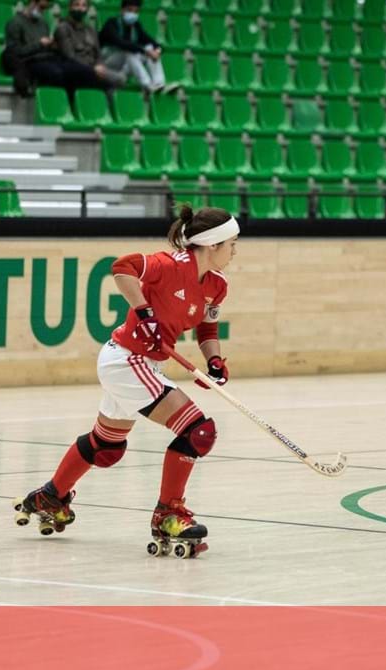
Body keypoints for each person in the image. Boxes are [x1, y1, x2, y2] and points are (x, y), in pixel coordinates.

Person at [12, 205, 238, 558]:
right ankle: (169, 513)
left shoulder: (216, 284)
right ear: (211, 245)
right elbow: (122, 267)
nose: (234, 252)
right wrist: (144, 312)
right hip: (126, 360)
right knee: (198, 431)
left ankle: (50, 496)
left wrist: (214, 359)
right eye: (231, 244)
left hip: (144, 365)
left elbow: (207, 326)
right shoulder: (169, 265)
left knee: (106, 446)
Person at [3, 0, 103, 96]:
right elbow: (14, 52)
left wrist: (52, 46)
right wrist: (39, 44)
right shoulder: (15, 23)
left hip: (48, 58)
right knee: (57, 74)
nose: (42, 11)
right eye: (41, 7)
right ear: (32, 2)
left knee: (84, 71)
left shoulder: (42, 23)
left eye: (45, 8)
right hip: (30, 61)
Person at [99, 0, 175, 93]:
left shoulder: (135, 26)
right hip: (106, 66)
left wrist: (157, 51)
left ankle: (159, 83)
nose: (133, 14)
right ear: (122, 10)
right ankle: (147, 84)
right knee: (130, 51)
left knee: (150, 48)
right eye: (129, 10)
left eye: (136, 11)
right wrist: (145, 51)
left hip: (124, 68)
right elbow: (120, 43)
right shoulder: (111, 23)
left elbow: (153, 43)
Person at [55, 0, 126, 89]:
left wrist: (99, 65)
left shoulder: (90, 30)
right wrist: (93, 68)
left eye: (84, 6)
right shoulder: (63, 28)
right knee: (119, 79)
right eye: (77, 5)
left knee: (123, 59)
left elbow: (98, 53)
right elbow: (70, 56)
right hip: (77, 68)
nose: (80, 9)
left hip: (94, 66)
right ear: (70, 7)